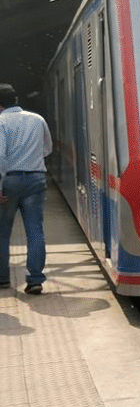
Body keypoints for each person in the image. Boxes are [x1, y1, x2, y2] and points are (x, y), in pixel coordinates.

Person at [0, 84, 53, 295]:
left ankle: (3, 279)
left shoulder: (1, 122)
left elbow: (0, 156)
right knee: (35, 231)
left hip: (10, 181)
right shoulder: (37, 119)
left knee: (3, 232)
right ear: (16, 99)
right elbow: (47, 149)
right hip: (36, 179)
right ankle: (35, 280)